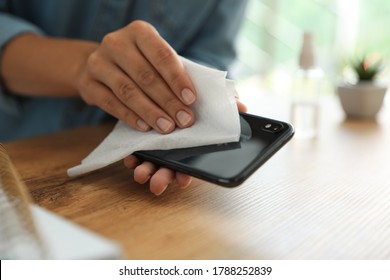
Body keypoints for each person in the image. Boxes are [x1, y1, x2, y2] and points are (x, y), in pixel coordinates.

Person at [0, 0, 248, 195]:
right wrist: (82, 67)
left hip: (117, 180)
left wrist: (203, 107)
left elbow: (211, 55)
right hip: (12, 153)